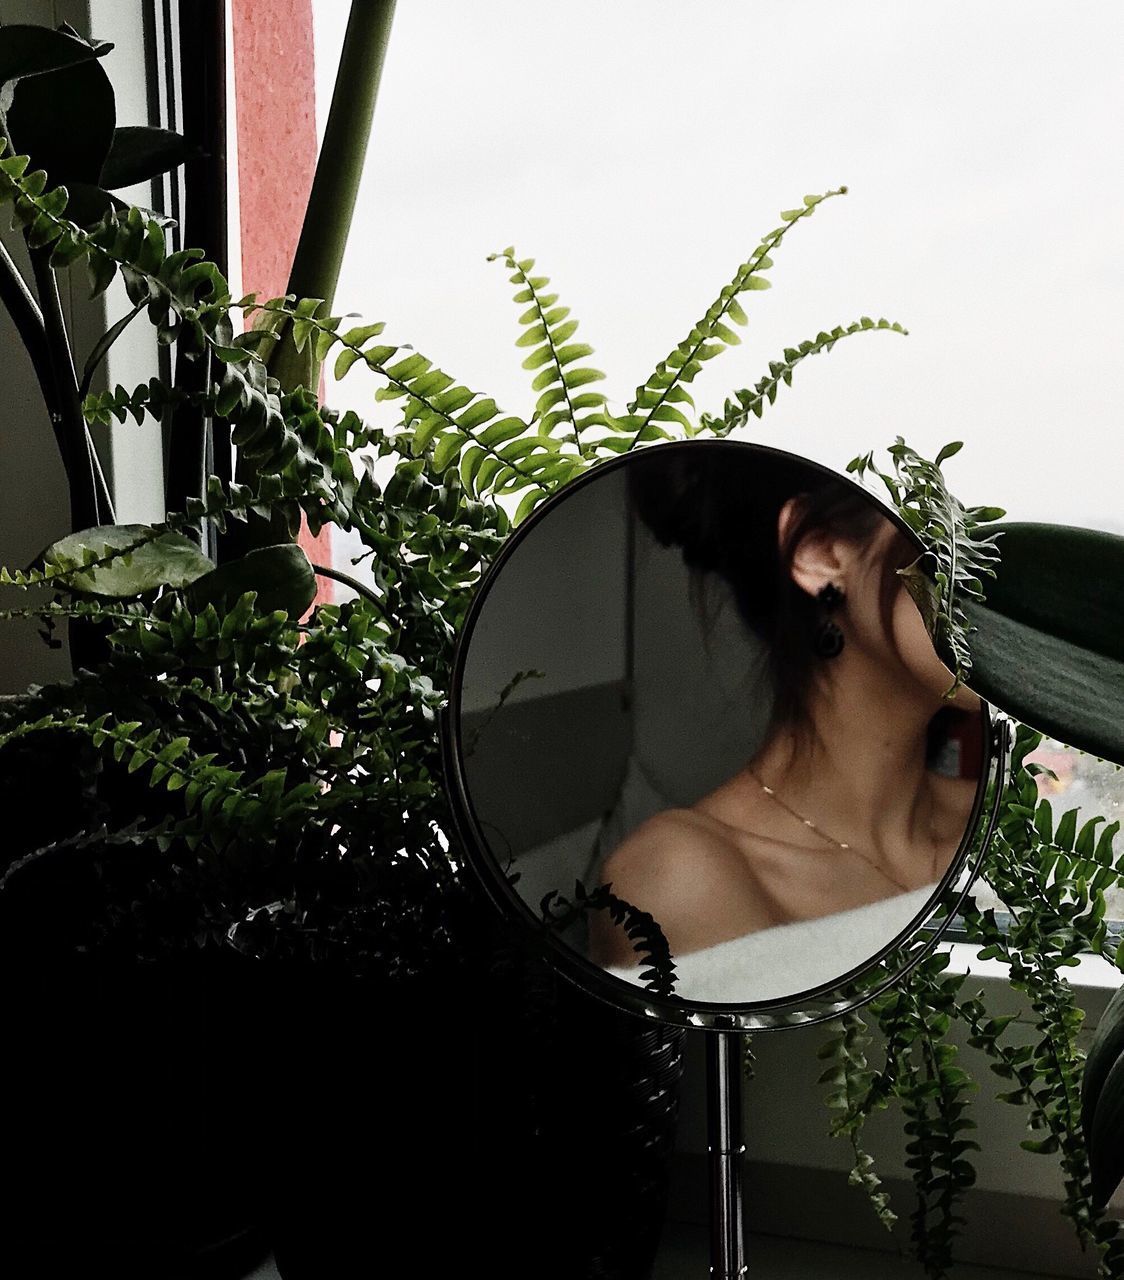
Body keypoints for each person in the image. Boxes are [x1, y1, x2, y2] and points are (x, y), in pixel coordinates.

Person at [590, 450, 982, 968]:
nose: (996, 575)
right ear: (821, 551)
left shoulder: (1005, 831)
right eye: (959, 534)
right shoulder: (676, 881)